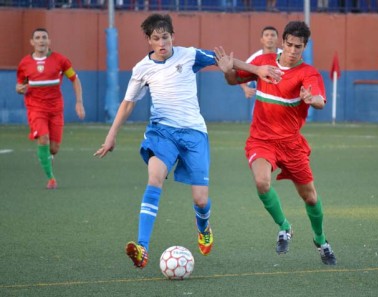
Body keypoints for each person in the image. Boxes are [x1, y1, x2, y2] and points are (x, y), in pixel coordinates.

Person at [94, 13, 281, 269]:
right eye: (157, 39)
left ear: (173, 36)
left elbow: (224, 60)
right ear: (148, 40)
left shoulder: (189, 55)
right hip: (162, 133)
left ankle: (203, 228)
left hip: (194, 134)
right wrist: (111, 135)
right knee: (154, 179)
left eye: (166, 37)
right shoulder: (142, 69)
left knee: (201, 200)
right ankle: (142, 248)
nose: (163, 43)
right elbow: (128, 104)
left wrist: (257, 69)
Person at [214, 21, 337, 265]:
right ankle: (284, 226)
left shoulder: (308, 73)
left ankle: (321, 240)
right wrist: (228, 69)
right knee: (261, 181)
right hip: (262, 139)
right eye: (289, 44)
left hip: (291, 144)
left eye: (298, 47)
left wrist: (311, 98)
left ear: (305, 47)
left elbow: (320, 100)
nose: (292, 51)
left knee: (310, 197)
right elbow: (232, 80)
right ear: (282, 42)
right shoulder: (263, 62)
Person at [16, 28, 85, 190]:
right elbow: (20, 84)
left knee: (54, 148)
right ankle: (51, 178)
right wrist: (20, 89)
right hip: (35, 108)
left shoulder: (60, 60)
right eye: (38, 38)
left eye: (44, 37)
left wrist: (79, 102)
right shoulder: (25, 63)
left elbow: (74, 79)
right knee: (43, 139)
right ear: (32, 42)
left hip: (55, 109)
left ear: (49, 41)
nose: (41, 40)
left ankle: (48, 156)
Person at [240, 26, 282, 119]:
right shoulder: (255, 58)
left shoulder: (286, 57)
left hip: (283, 104)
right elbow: (241, 75)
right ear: (262, 40)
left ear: (277, 39)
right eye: (266, 35)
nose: (269, 37)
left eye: (272, 35)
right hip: (262, 105)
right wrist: (245, 88)